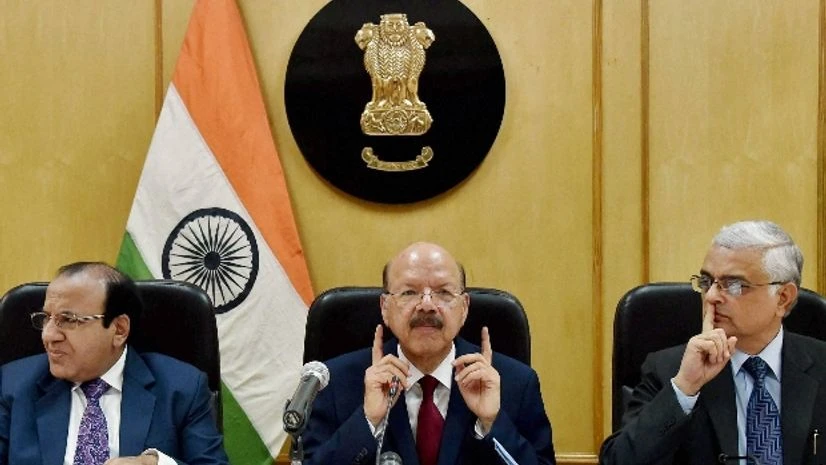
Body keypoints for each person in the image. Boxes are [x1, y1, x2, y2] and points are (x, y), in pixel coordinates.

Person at [302, 242, 555, 465]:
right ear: (385, 308)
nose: (426, 305)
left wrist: (492, 423)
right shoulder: (335, 383)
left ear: (464, 308)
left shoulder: (515, 383)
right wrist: (368, 421)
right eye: (409, 292)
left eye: (444, 293)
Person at [600, 220, 826, 465]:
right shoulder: (669, 370)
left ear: (783, 298)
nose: (711, 296)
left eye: (735, 285)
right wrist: (685, 388)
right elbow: (617, 461)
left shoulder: (822, 367)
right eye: (707, 282)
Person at [0, 262, 229, 465]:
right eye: (46, 318)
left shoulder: (181, 388)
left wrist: (153, 464)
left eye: (68, 320)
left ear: (119, 329)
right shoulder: (11, 385)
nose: (48, 336)